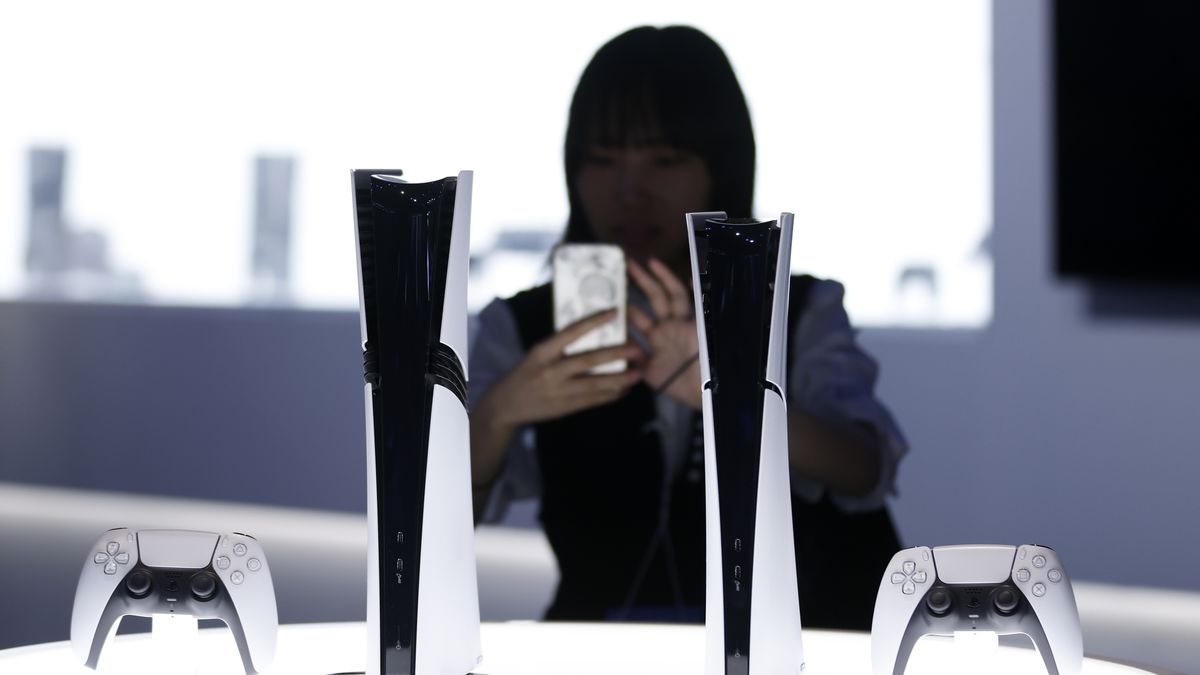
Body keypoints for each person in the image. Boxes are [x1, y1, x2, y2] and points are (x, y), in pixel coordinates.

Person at [469, 25, 906, 630]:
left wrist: (735, 396)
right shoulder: (522, 325)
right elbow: (442, 517)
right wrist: (495, 413)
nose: (629, 191)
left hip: (808, 640)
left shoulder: (794, 305)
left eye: (665, 160)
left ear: (720, 167)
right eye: (602, 160)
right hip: (602, 644)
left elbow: (866, 466)